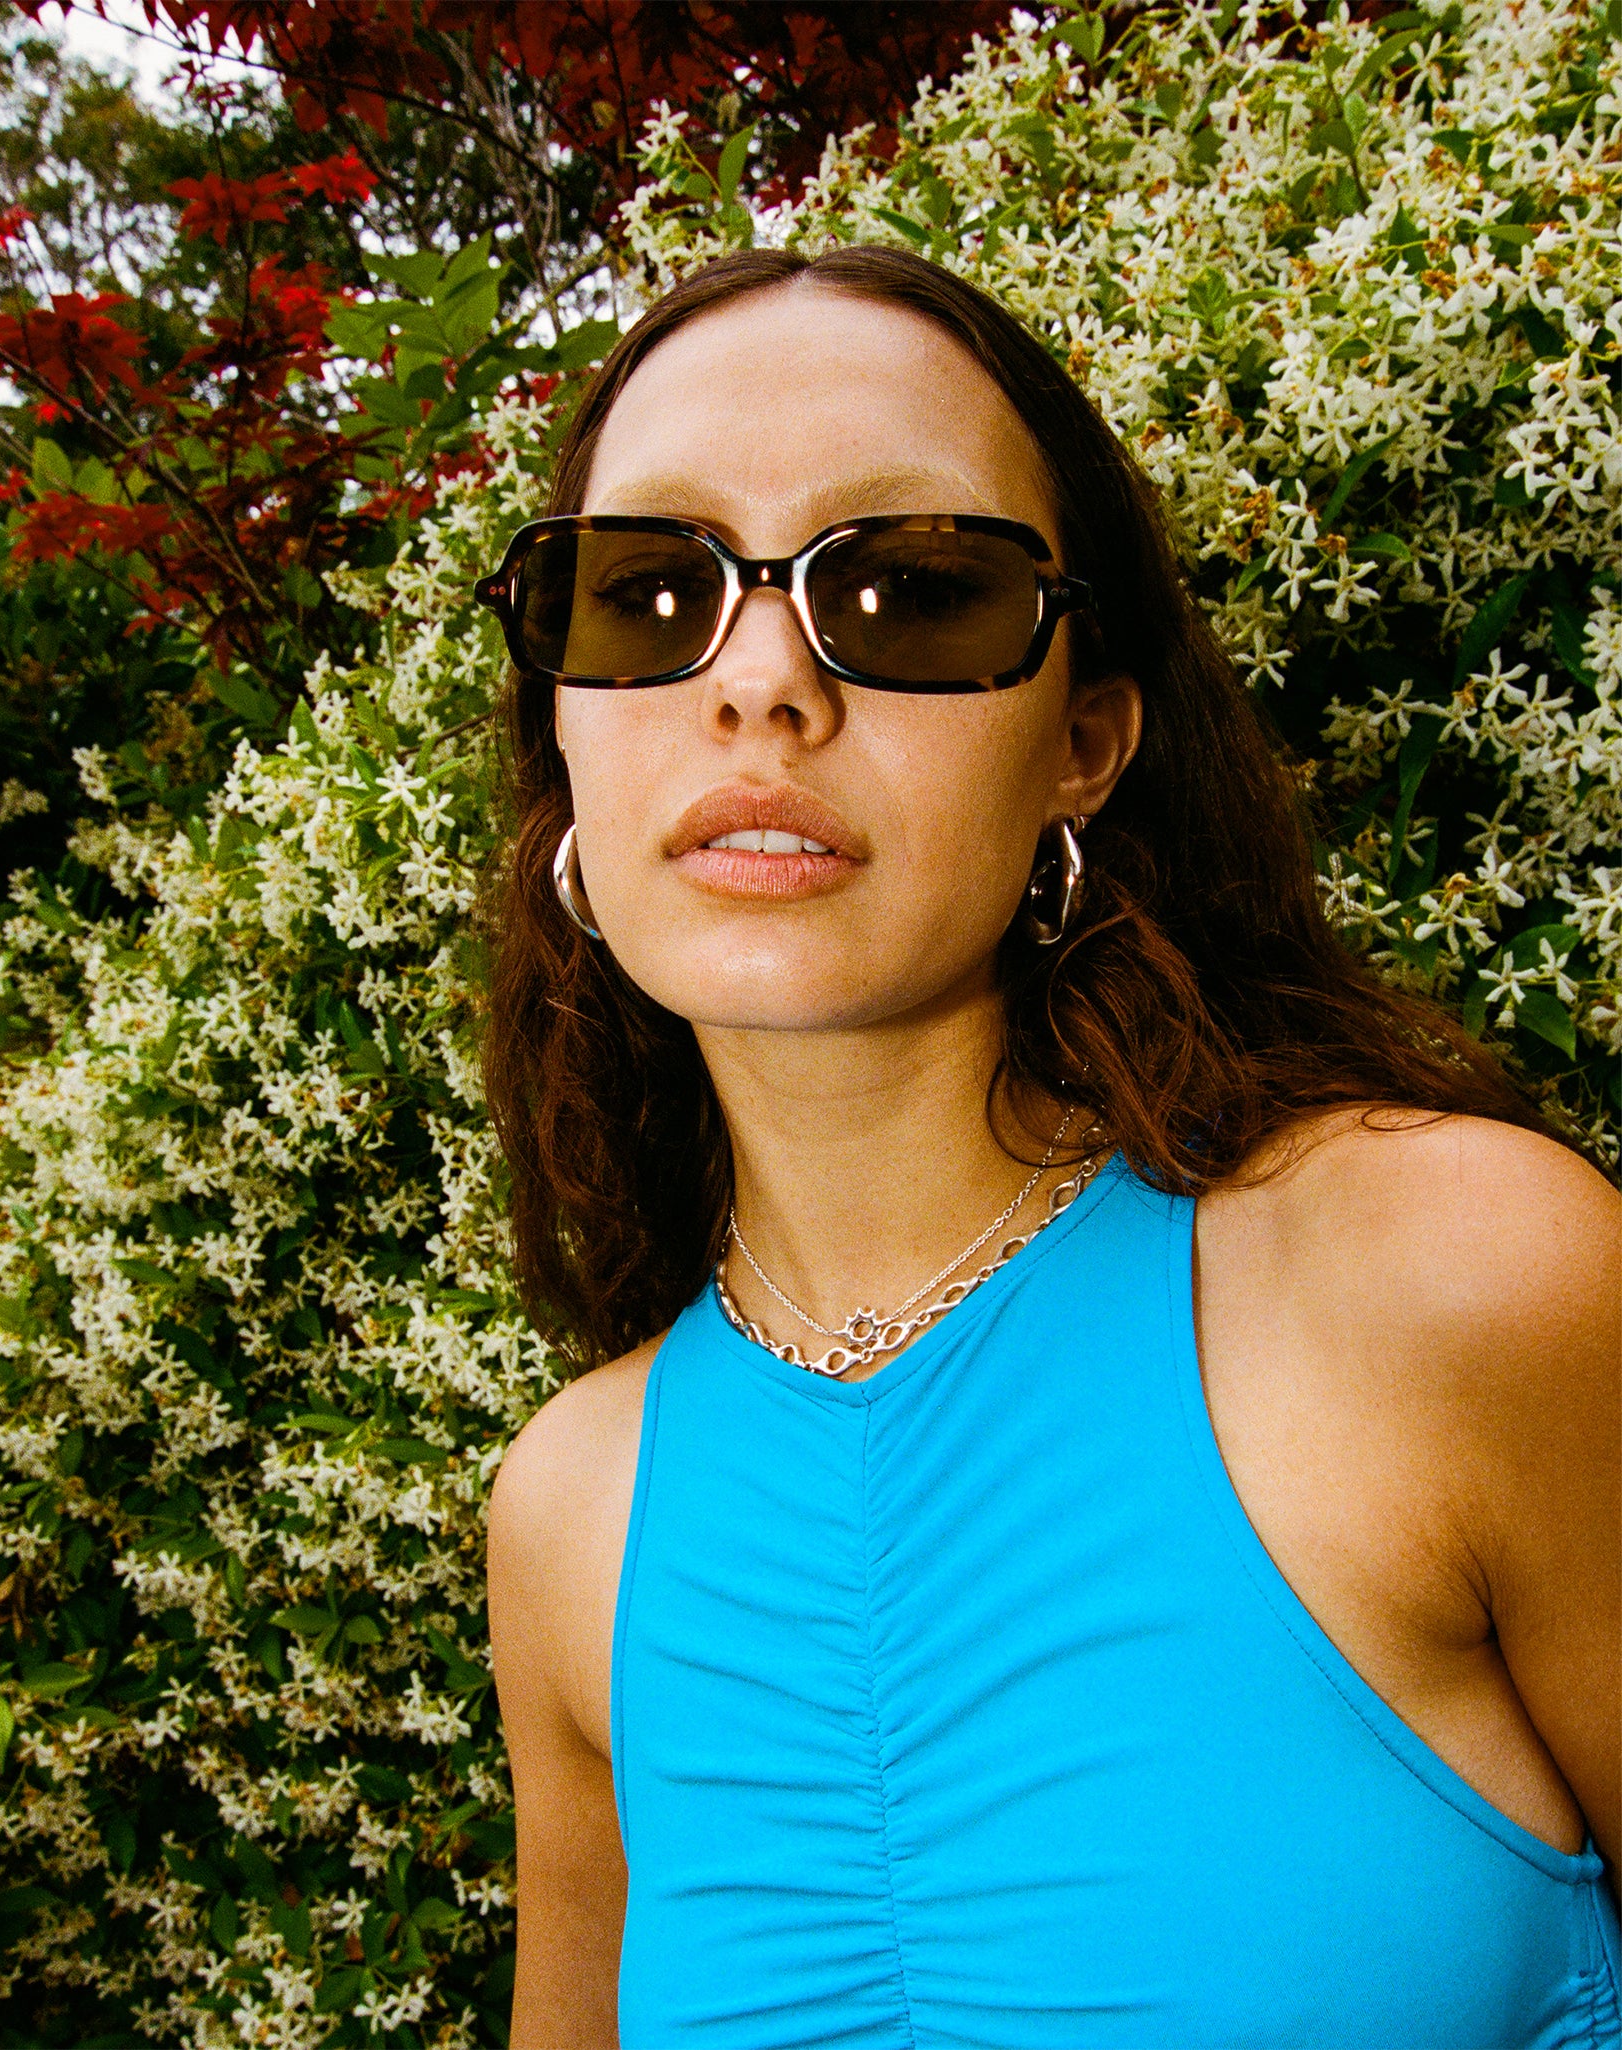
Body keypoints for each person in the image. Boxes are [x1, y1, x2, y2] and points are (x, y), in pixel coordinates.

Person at [477, 245, 1619, 2048]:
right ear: (565, 726)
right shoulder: (570, 1515)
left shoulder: (1461, 1281)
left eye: (912, 590)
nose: (758, 682)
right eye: (648, 590)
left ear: (1083, 742)